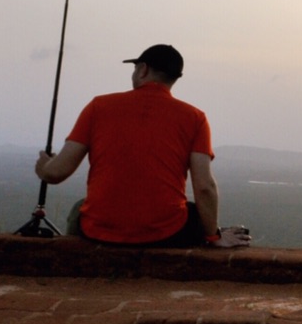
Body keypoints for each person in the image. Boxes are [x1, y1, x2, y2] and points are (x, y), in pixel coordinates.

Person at [35, 44, 250, 249]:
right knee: (194, 213)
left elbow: (56, 173)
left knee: (78, 209)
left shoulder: (98, 107)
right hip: (168, 233)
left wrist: (43, 166)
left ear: (143, 69)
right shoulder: (195, 118)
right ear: (174, 78)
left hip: (98, 230)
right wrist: (213, 235)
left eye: (135, 68)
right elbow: (204, 187)